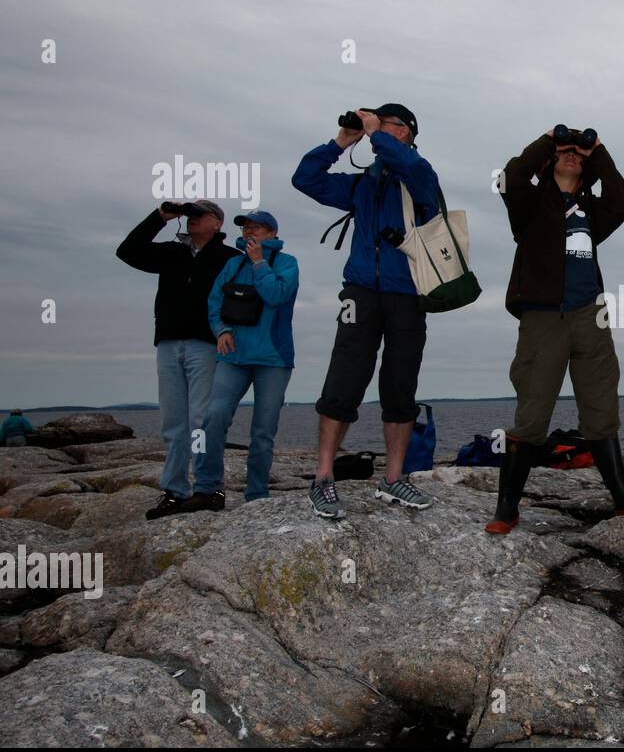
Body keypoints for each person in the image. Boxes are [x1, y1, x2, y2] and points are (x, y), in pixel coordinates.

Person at [488, 126, 624, 535]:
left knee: (601, 405)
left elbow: (623, 202)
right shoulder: (528, 203)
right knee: (532, 413)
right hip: (543, 317)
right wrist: (549, 140)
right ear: (549, 161)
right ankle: (507, 509)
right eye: (565, 153)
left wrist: (597, 151)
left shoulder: (593, 210)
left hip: (591, 314)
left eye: (578, 156)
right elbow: (510, 176)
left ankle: (622, 498)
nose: (571, 156)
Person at [292, 104, 439, 518]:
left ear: (407, 132)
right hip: (360, 290)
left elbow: (409, 166)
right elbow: (305, 180)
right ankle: (322, 478)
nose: (376, 129)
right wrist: (342, 141)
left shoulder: (420, 175)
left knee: (399, 381)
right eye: (375, 124)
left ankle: (393, 479)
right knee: (344, 377)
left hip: (408, 292)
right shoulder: (362, 185)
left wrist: (376, 134)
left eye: (387, 124)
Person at [116, 199, 239, 520]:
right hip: (169, 343)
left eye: (200, 215)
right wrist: (159, 217)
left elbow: (247, 299)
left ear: (218, 223)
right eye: (190, 215)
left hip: (207, 345)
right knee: (173, 423)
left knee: (201, 421)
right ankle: (174, 492)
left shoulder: (230, 258)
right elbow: (128, 251)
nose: (192, 220)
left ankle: (209, 489)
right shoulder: (172, 253)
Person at [185, 211, 299, 511]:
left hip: (273, 359)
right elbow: (214, 303)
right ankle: (208, 489)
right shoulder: (232, 265)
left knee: (262, 430)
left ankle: (256, 495)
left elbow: (277, 296)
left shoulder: (287, 264)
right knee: (213, 417)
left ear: (272, 233)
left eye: (257, 227)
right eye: (247, 227)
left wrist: (260, 262)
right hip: (233, 357)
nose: (250, 231)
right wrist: (220, 330)